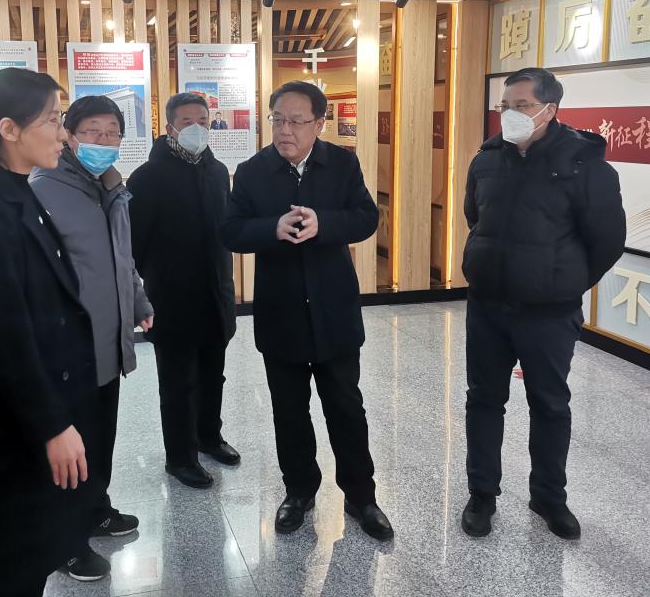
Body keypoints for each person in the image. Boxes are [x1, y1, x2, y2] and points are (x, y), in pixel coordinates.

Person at [0, 68, 101, 595]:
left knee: (34, 546)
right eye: (52, 120)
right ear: (9, 129)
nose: (62, 134)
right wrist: (51, 424)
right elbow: (1, 330)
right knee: (13, 558)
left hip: (36, 406)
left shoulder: (12, 188)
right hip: (14, 426)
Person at [220, 80, 393, 541]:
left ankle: (361, 496)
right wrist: (271, 228)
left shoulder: (342, 163)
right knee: (289, 412)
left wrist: (325, 223)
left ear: (319, 123)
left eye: (297, 121)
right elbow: (231, 230)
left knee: (346, 408)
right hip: (281, 314)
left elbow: (366, 218)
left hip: (334, 312)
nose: (285, 130)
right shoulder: (252, 171)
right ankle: (298, 491)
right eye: (278, 119)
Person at [460, 67, 625, 541]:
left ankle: (549, 497)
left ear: (550, 110)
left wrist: (563, 283)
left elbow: (607, 240)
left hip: (549, 313)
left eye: (522, 106)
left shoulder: (584, 164)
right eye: (504, 106)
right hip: (488, 305)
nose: (509, 114)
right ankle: (482, 493)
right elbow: (475, 217)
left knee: (550, 404)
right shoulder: (487, 159)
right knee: (484, 400)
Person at [30, 95, 151, 578]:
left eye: (113, 133)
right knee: (71, 448)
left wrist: (139, 302)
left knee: (101, 436)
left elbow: (123, 259)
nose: (104, 141)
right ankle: (65, 541)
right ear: (70, 136)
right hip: (71, 346)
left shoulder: (111, 187)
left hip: (109, 339)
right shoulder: (44, 188)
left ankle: (96, 508)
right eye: (93, 132)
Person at [128, 93, 239, 489]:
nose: (196, 128)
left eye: (203, 121)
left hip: (215, 295)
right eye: (187, 121)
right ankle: (180, 457)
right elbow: (134, 245)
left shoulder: (217, 171)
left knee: (213, 375)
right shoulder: (147, 177)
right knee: (177, 384)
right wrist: (155, 284)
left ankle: (209, 437)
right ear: (169, 127)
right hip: (172, 299)